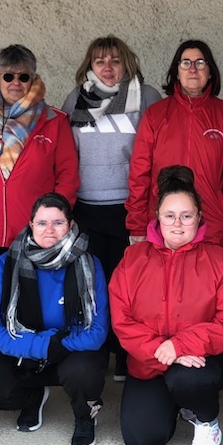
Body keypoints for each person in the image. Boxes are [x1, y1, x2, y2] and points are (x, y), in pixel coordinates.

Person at [109, 165, 223, 445]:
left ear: (199, 217)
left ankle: (206, 423)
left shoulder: (220, 260)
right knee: (141, 440)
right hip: (150, 361)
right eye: (169, 216)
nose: (178, 224)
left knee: (186, 379)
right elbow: (122, 321)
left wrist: (181, 345)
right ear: (157, 219)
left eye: (186, 216)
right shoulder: (133, 259)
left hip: (204, 361)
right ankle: (176, 404)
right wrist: (163, 352)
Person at [0, 44, 80, 384]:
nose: (16, 82)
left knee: (30, 299)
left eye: (24, 76)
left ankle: (34, 358)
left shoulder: (54, 122)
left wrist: (53, 223)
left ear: (33, 78)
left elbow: (67, 175)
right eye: (8, 75)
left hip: (33, 235)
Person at [0, 193, 109, 445]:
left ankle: (84, 416)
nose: (49, 229)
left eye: (58, 222)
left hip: (70, 350)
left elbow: (98, 331)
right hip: (29, 346)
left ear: (70, 225)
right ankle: (32, 397)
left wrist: (60, 344)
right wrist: (42, 346)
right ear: (31, 225)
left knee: (83, 373)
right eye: (42, 222)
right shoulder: (8, 263)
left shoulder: (89, 263)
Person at [61, 35, 161, 382]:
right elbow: (67, 155)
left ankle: (126, 351)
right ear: (89, 65)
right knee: (95, 284)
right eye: (100, 60)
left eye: (115, 60)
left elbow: (153, 155)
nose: (107, 66)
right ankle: (98, 349)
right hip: (87, 208)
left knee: (131, 287)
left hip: (129, 209)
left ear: (127, 63)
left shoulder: (146, 97)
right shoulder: (76, 100)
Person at [126, 40, 223, 251]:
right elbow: (139, 172)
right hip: (166, 223)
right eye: (186, 63)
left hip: (212, 222)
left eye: (200, 62)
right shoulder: (156, 115)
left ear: (210, 71)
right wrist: (137, 224)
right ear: (176, 72)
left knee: (210, 282)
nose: (193, 69)